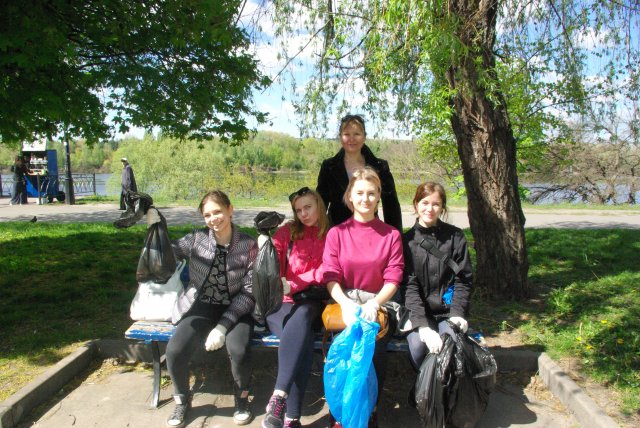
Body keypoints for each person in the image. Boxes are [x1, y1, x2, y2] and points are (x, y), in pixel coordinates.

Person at [161, 190, 258, 428]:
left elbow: (249, 292)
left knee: (239, 349)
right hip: (203, 305)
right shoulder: (196, 239)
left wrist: (222, 327)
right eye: (207, 215)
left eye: (218, 212)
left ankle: (242, 398)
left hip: (238, 307)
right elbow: (166, 253)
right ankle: (182, 399)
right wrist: (155, 228)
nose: (213, 219)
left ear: (230, 210)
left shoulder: (248, 245)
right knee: (174, 350)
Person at [322, 167, 404, 428]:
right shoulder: (337, 233)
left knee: (373, 343)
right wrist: (346, 304)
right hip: (344, 301)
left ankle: (370, 410)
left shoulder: (391, 235)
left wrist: (375, 303)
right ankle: (341, 411)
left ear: (378, 196)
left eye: (371, 193)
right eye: (359, 193)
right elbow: (330, 276)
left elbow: (394, 278)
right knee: (343, 347)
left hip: (379, 302)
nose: (365, 199)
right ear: (349, 196)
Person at [261, 187, 331, 428]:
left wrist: (297, 282)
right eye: (298, 210)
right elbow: (271, 260)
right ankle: (291, 418)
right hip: (280, 304)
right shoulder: (287, 231)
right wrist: (265, 240)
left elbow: (329, 269)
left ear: (319, 205)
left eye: (308, 207)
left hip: (312, 302)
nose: (303, 214)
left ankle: (279, 398)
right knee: (301, 341)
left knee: (303, 317)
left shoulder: (332, 235)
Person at [401, 182, 473, 404]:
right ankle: (427, 387)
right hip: (418, 312)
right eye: (424, 203)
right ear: (416, 204)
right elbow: (409, 286)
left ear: (442, 207)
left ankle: (435, 392)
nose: (429, 209)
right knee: (417, 346)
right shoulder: (407, 241)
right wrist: (422, 325)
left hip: (447, 310)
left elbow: (464, 279)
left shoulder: (455, 237)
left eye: (436, 204)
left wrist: (457, 313)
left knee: (450, 344)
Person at [316, 114, 402, 232]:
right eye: (347, 134)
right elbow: (321, 204)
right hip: (337, 231)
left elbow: (391, 206)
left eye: (357, 134)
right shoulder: (328, 166)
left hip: (370, 231)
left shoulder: (380, 167)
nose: (351, 139)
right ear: (340, 137)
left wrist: (396, 236)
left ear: (364, 137)